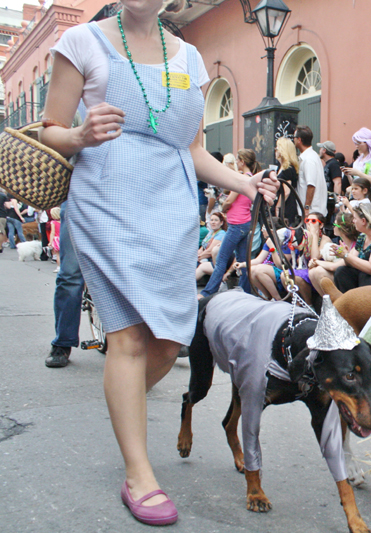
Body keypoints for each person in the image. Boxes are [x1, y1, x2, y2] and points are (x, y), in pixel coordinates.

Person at [38, 0, 280, 523]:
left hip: (170, 211)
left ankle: (123, 400)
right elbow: (49, 129)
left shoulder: (189, 57)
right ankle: (138, 474)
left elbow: (192, 150)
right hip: (105, 200)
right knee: (127, 337)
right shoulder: (82, 42)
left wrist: (246, 182)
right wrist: (78, 135)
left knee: (170, 343)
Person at [200, 149, 260, 298]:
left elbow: (229, 201)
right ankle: (246, 291)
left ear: (243, 162)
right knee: (242, 261)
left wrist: (223, 206)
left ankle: (208, 292)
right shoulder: (251, 178)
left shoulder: (242, 179)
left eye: (238, 160)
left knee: (221, 259)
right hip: (244, 223)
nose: (236, 163)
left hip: (237, 224)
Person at [44, 204, 87, 367]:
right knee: (71, 274)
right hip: (80, 199)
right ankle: (63, 341)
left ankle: (160, 338)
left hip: (124, 198)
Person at [333, 203, 371, 293]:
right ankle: (347, 302)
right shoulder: (363, 236)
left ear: (363, 221)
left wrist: (346, 255)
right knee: (341, 272)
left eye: (355, 218)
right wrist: (343, 254)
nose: (353, 221)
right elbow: (351, 261)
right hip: (363, 274)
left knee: (364, 276)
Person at [308, 210, 359, 295]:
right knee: (312, 271)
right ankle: (327, 302)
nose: (333, 227)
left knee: (319, 271)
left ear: (341, 228)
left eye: (334, 225)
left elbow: (333, 267)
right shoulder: (342, 243)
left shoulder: (355, 246)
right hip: (341, 275)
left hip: (351, 280)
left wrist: (316, 262)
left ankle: (336, 302)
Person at [294, 125, 328, 219]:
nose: (294, 140)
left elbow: (311, 185)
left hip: (311, 212)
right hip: (312, 211)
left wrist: (306, 207)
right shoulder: (311, 156)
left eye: (294, 138)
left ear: (299, 140)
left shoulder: (309, 159)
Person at [343, 127, 371, 198]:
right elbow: (355, 183)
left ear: (368, 143)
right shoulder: (357, 161)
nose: (356, 146)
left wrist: (358, 173)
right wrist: (348, 174)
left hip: (370, 197)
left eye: (359, 143)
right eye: (355, 143)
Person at [274, 137, 301, 226]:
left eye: (277, 148)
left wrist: (277, 206)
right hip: (283, 203)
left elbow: (286, 191)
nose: (275, 151)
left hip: (286, 205)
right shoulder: (281, 167)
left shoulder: (287, 169)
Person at [195, 211, 227, 281]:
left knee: (196, 265)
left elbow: (209, 252)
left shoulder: (221, 233)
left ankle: (186, 285)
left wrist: (198, 257)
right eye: (211, 220)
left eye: (216, 220)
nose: (213, 222)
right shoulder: (211, 232)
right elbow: (203, 247)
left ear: (221, 223)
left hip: (215, 262)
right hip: (204, 258)